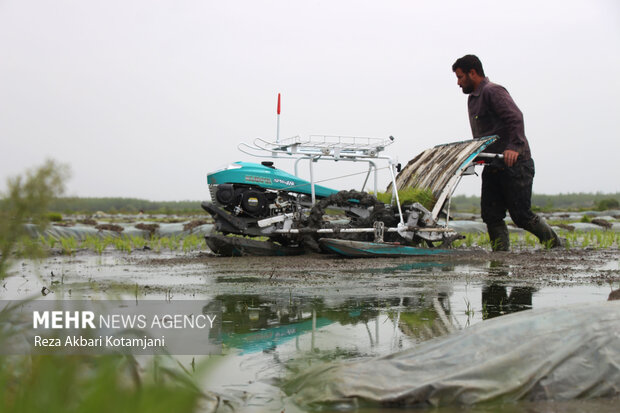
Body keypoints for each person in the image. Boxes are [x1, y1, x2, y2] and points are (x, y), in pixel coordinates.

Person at [452, 54, 560, 251]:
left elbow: (515, 117)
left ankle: (556, 247)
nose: (458, 83)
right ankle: (500, 256)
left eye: (460, 77)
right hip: (494, 164)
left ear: (473, 73)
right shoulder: (473, 99)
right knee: (491, 215)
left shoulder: (493, 91)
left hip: (514, 163)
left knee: (521, 215)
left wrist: (515, 146)